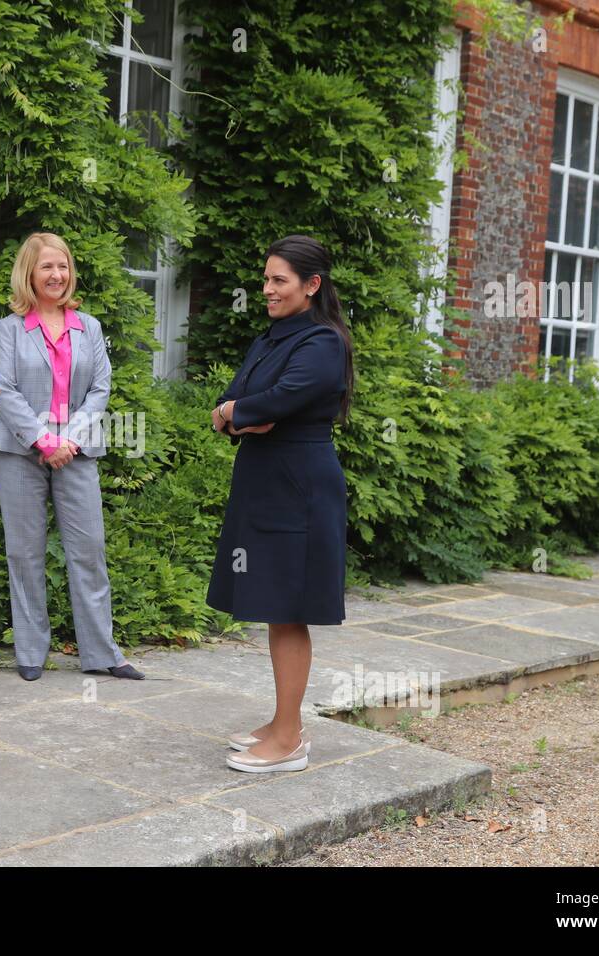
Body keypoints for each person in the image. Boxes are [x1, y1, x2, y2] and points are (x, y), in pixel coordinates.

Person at [205, 234, 354, 773]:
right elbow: (239, 398)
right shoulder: (273, 337)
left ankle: (290, 739)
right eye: (266, 279)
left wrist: (239, 410)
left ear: (311, 286)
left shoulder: (322, 343)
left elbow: (272, 402)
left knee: (290, 610)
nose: (267, 289)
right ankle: (281, 718)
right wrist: (236, 411)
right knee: (274, 605)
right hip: (265, 481)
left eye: (279, 281)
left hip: (299, 489)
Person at [0, 233, 142, 681]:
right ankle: (31, 652)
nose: (57, 275)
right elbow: (6, 389)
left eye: (63, 267)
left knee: (89, 549)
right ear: (29, 274)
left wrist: (67, 439)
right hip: (18, 450)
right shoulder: (8, 329)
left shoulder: (88, 327)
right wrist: (43, 440)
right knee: (25, 552)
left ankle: (101, 653)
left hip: (77, 450)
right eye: (46, 267)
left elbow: (100, 388)